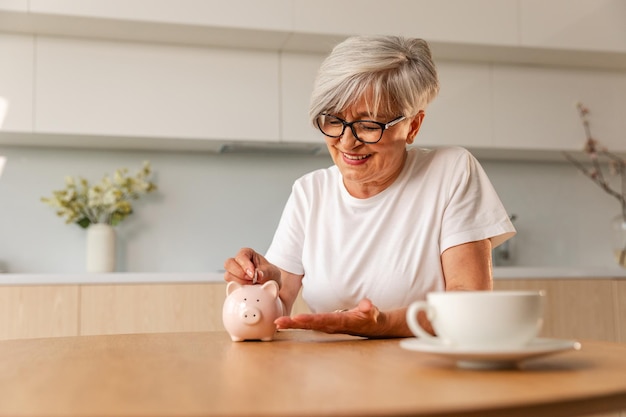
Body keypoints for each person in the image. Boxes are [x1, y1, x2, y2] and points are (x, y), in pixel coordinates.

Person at [224, 35, 516, 338]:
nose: (347, 142)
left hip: (428, 374)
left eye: (368, 125)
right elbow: (276, 310)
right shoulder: (310, 193)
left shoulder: (451, 171)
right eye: (334, 120)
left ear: (413, 126)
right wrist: (256, 287)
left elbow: (470, 303)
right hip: (328, 375)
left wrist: (382, 324)